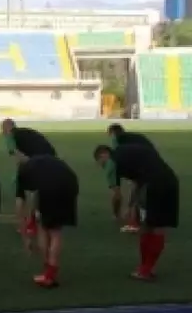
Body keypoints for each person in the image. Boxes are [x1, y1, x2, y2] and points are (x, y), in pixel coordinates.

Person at [93, 144, 179, 280]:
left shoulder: (112, 161)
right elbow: (137, 181)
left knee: (151, 227)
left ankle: (145, 270)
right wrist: (132, 205)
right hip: (170, 181)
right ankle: (147, 267)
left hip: (154, 185)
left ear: (104, 154)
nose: (102, 166)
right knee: (155, 226)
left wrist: (124, 210)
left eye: (100, 162)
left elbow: (120, 192)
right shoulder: (125, 153)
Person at [16, 155, 79, 289]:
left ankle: (48, 274)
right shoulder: (38, 163)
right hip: (71, 183)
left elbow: (21, 206)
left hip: (51, 187)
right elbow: (35, 197)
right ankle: (50, 272)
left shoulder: (22, 175)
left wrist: (25, 238)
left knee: (46, 229)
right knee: (56, 228)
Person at [1, 118, 56, 240]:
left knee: (20, 193)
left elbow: (17, 155)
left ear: (6, 128)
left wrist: (23, 169)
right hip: (52, 162)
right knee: (37, 191)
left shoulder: (10, 136)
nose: (2, 133)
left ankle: (23, 225)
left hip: (36, 162)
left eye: (2, 129)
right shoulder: (27, 132)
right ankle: (33, 222)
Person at [107, 124, 158, 231]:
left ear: (113, 133)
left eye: (110, 135)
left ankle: (139, 218)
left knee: (139, 192)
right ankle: (139, 215)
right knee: (141, 190)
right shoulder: (135, 137)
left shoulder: (119, 142)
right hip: (152, 163)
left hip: (144, 166)